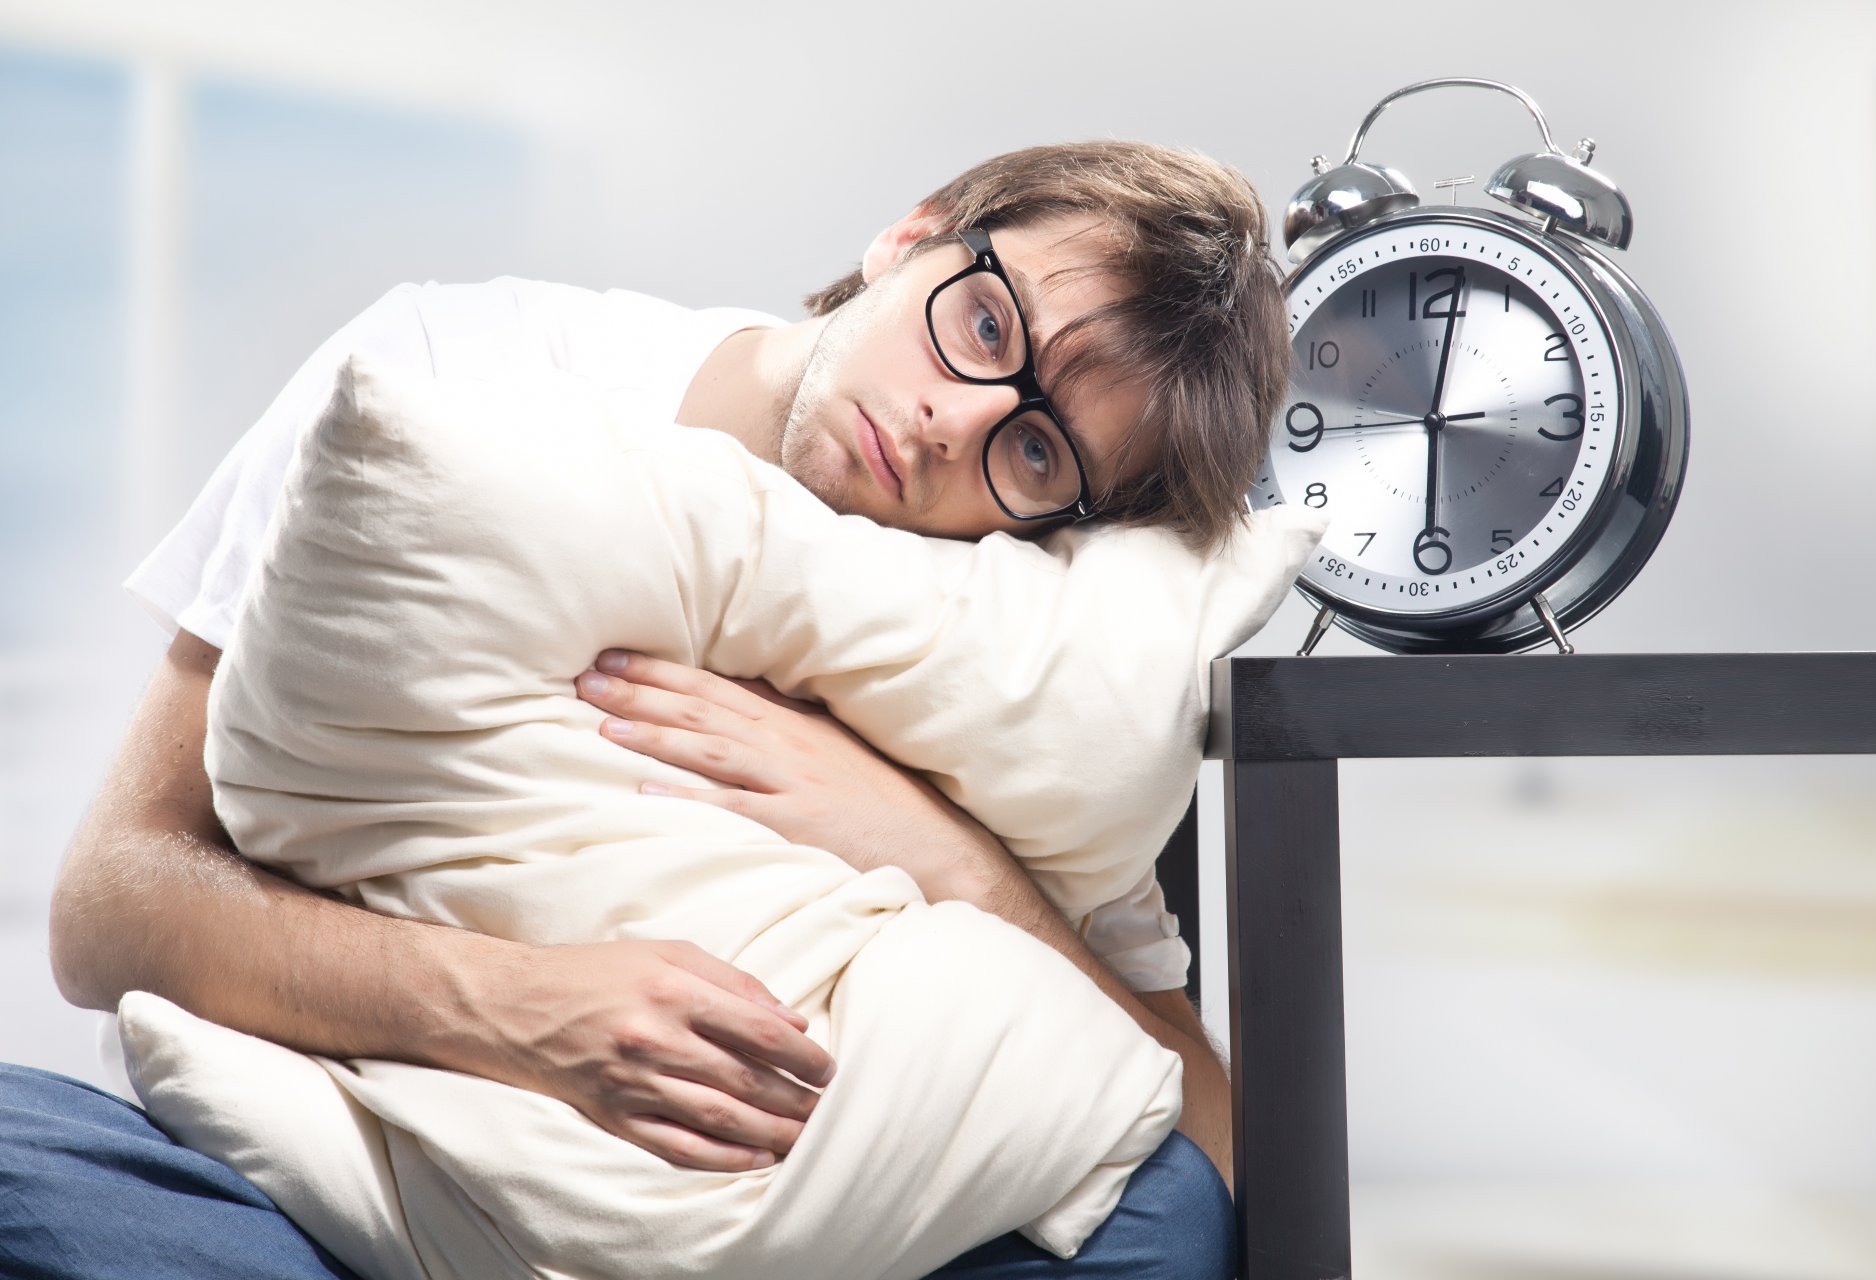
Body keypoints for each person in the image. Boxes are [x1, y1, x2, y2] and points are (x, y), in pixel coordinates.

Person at [11, 140, 1288, 1279]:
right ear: (913, 233)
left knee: (1164, 1209)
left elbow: (1213, 1130)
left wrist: (948, 858)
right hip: (320, 1179)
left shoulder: (1007, 640)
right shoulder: (453, 375)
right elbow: (113, 900)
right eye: (988, 327)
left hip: (789, 1237)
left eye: (1038, 452)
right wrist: (520, 1008)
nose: (953, 423)